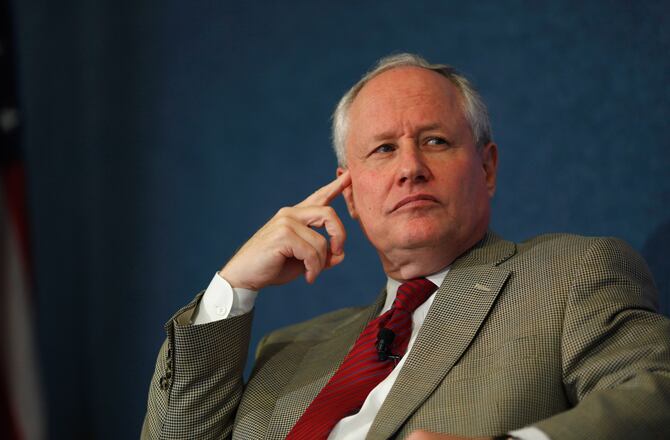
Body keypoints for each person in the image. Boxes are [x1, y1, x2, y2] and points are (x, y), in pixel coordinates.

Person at [141, 53, 670, 440]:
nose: (410, 168)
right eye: (383, 149)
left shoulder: (570, 276)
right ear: (348, 190)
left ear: (486, 167)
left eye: (435, 141)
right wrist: (233, 287)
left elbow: (654, 395)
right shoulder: (289, 350)